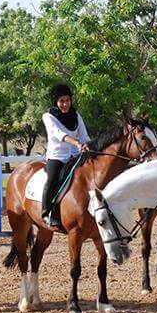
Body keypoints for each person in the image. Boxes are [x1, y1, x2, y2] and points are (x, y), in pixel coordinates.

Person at [41, 83, 89, 228]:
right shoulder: (48, 116)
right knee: (53, 179)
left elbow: (84, 136)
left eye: (67, 100)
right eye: (62, 101)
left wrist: (87, 145)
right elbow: (59, 135)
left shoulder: (76, 116)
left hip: (75, 156)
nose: (65, 104)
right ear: (55, 102)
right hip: (57, 156)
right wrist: (76, 143)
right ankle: (47, 212)